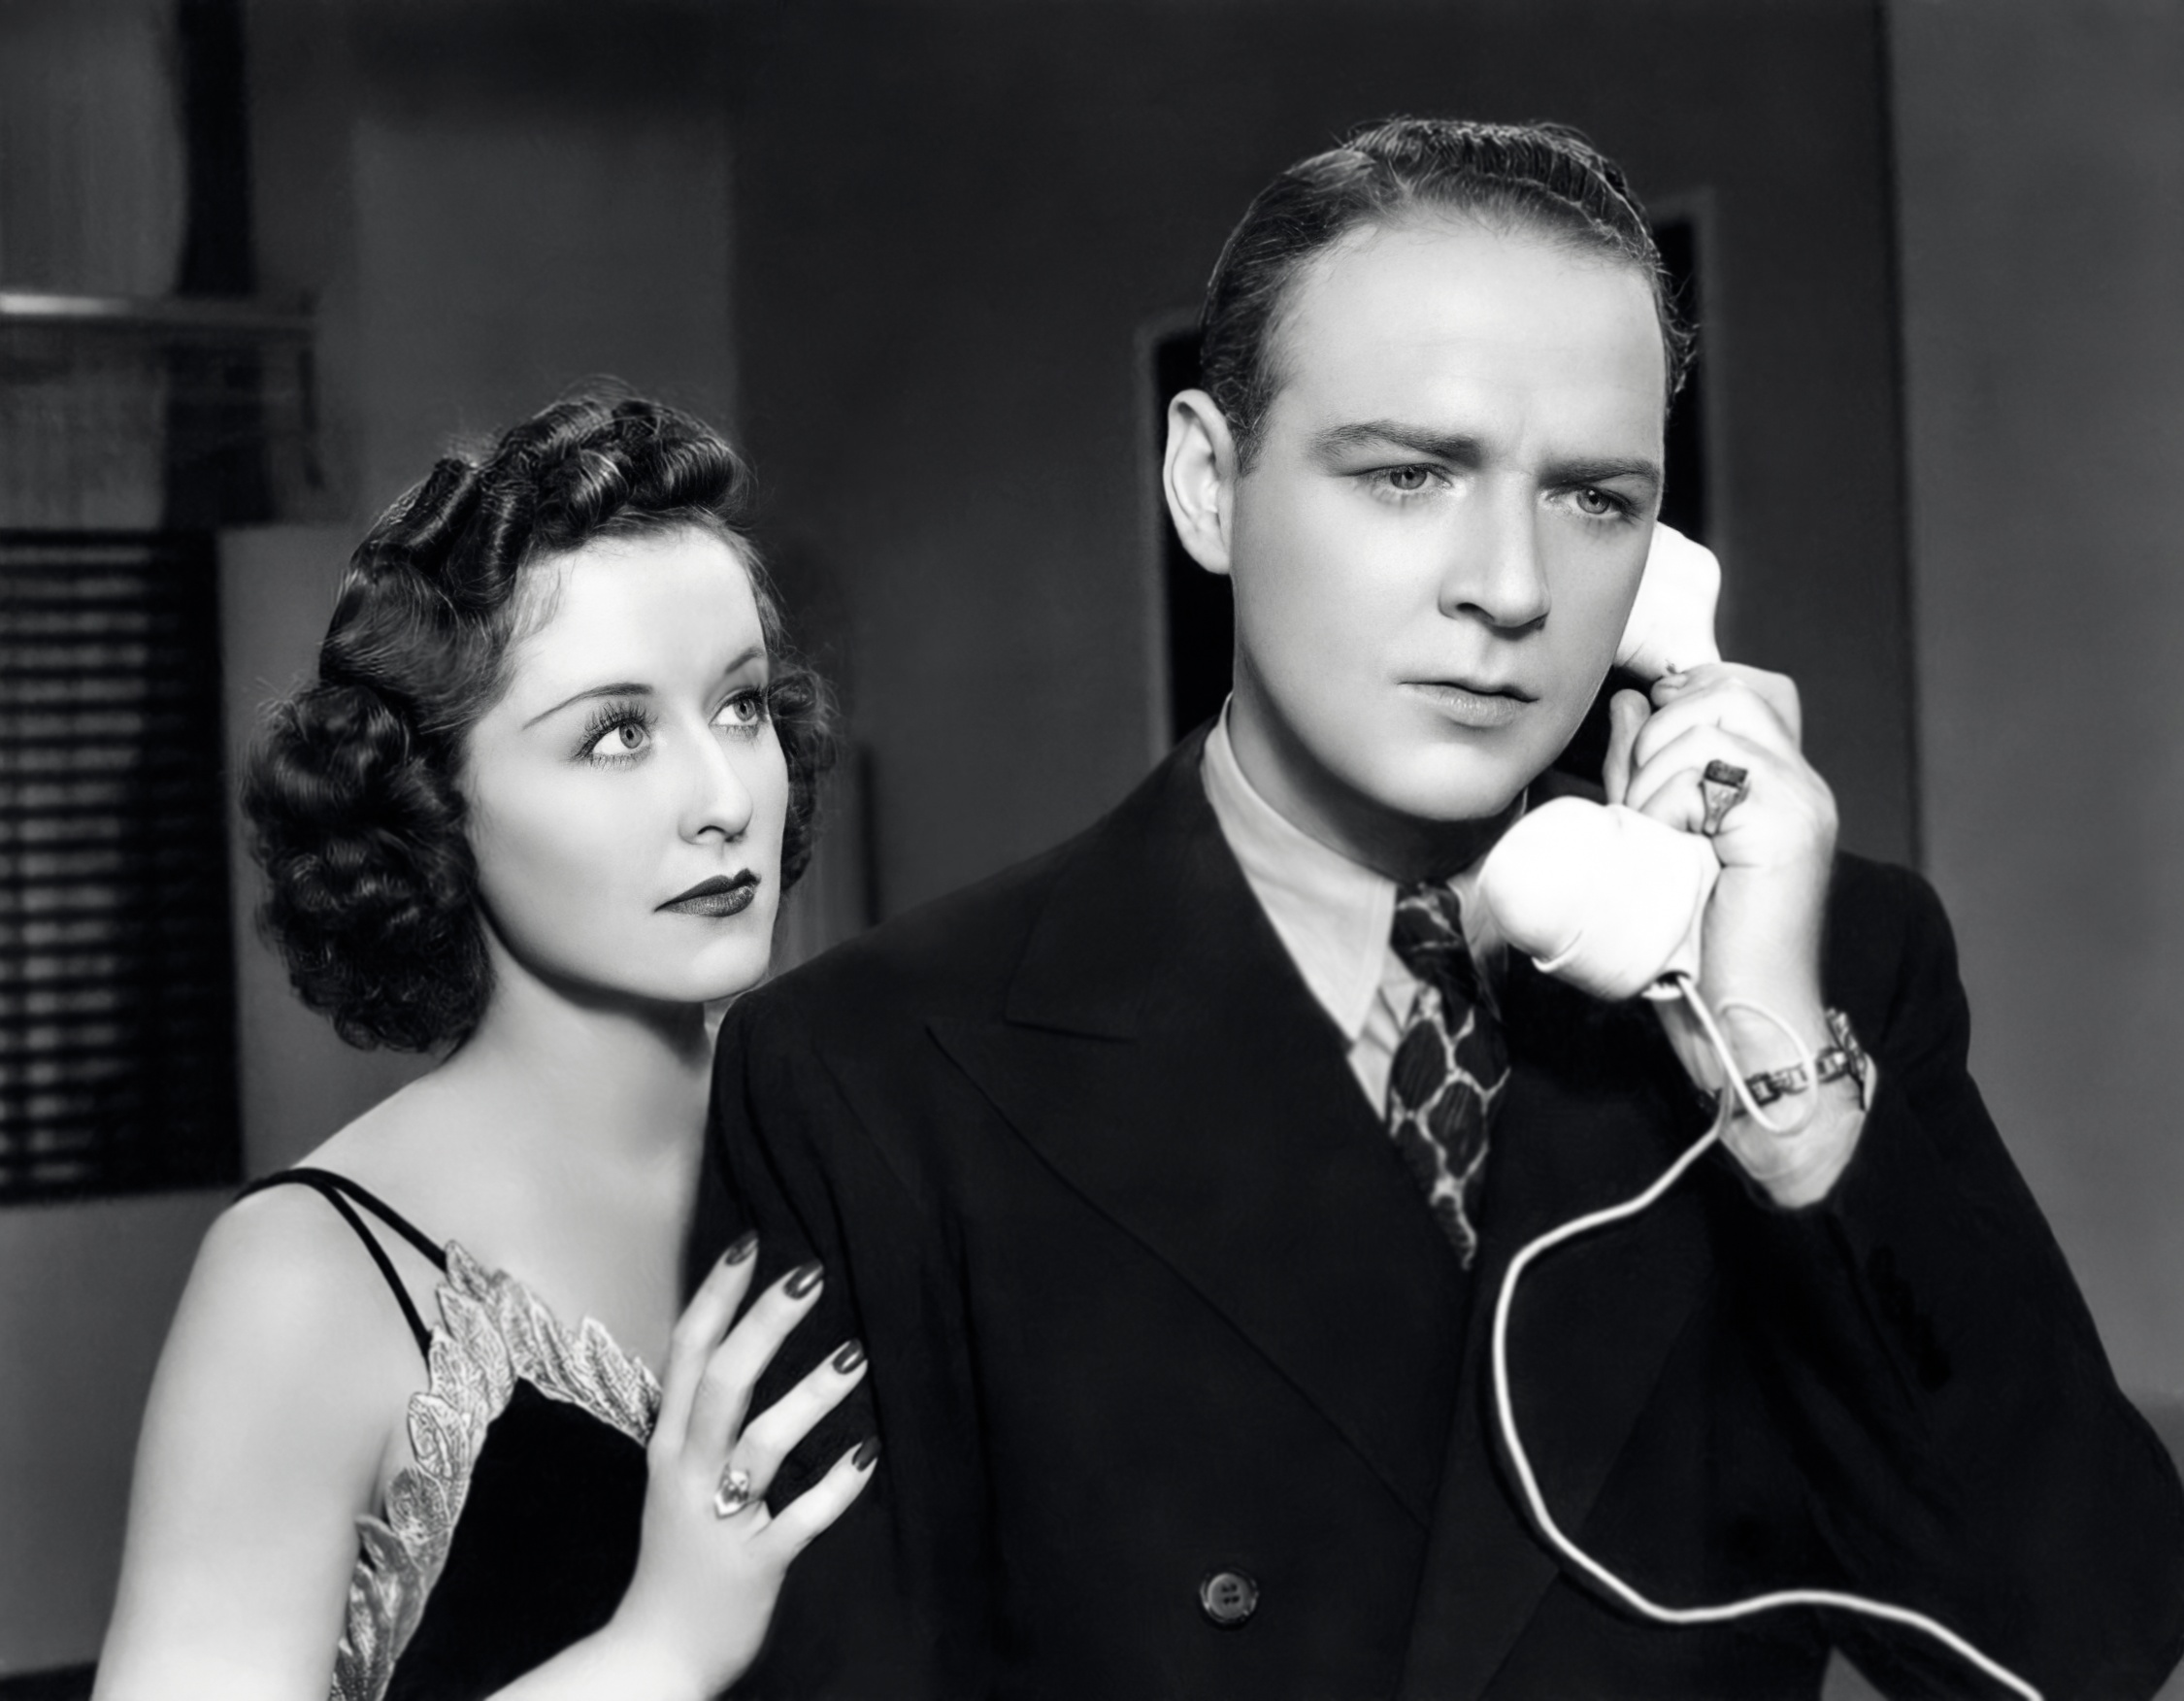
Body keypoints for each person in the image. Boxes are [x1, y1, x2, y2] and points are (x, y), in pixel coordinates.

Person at [714, 119, 2184, 1699]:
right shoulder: (873, 1067)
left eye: (1593, 500)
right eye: (1408, 475)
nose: (1511, 587)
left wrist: (1779, 1080)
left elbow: (2075, 1647)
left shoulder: (1819, 980)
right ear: (1206, 484)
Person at [96, 395, 877, 1700]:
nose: (723, 798)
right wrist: (658, 1651)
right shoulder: (307, 1280)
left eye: (741, 708)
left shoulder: (878, 1146)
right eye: (616, 734)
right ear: (430, 803)